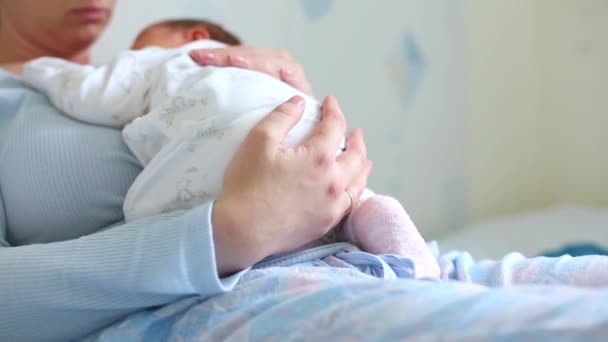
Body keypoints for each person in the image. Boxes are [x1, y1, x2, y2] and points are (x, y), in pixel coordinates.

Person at [2, 1, 608, 341]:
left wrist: (258, 91)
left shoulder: (158, 65)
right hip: (232, 296)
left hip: (383, 256)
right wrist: (226, 233)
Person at [17, 18, 440, 278]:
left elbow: (91, 91)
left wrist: (41, 72)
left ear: (194, 37)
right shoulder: (260, 72)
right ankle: (423, 273)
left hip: (232, 166)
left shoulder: (168, 59)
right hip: (320, 149)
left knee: (142, 212)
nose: (130, 56)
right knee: (370, 208)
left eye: (138, 47)